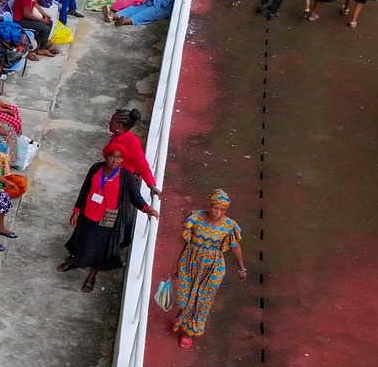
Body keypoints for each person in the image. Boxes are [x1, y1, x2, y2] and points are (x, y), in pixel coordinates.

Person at [59, 145, 156, 291]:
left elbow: (135, 196)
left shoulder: (126, 176)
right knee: (83, 238)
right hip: (89, 211)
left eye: (119, 158)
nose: (115, 161)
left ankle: (92, 275)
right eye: (112, 157)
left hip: (108, 217)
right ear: (106, 157)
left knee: (102, 246)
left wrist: (147, 209)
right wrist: (76, 210)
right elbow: (85, 189)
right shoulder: (96, 168)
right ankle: (76, 260)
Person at [170, 189, 246, 348]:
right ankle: (183, 317)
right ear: (210, 205)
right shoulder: (196, 218)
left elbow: (235, 247)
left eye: (223, 210)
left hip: (212, 268)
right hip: (190, 262)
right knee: (184, 298)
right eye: (215, 208)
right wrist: (175, 264)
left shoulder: (228, 226)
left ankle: (188, 332)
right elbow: (182, 241)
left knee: (201, 302)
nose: (218, 213)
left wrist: (241, 268)